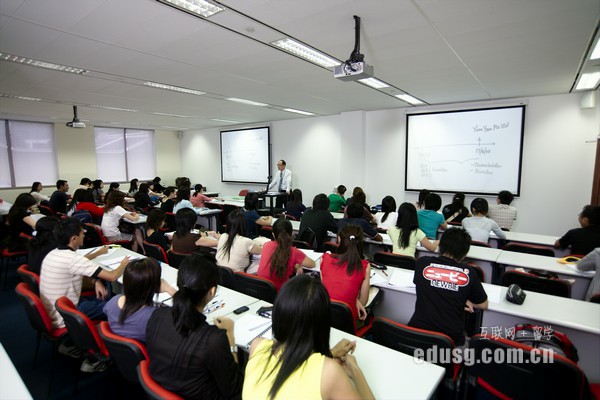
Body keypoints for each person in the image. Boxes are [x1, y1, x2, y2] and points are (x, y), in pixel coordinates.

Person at [243, 275, 374, 400]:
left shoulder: (257, 345)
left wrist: (331, 354)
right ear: (323, 324)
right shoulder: (330, 372)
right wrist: (355, 370)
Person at [146, 255, 243, 399]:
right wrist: (230, 336)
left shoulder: (157, 315)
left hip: (159, 390)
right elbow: (233, 389)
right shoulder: (213, 340)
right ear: (212, 291)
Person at [39, 217, 129, 371]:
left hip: (56, 310)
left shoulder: (54, 253)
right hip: (68, 315)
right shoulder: (72, 259)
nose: (84, 235)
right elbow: (113, 276)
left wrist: (95, 279)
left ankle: (70, 343)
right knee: (117, 307)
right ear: (74, 238)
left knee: (102, 300)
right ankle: (98, 356)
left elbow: (79, 261)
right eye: (82, 233)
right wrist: (124, 264)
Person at [409, 228, 488, 347]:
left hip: (416, 334)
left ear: (440, 246)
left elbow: (430, 286)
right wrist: (463, 297)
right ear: (464, 254)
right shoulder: (469, 272)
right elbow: (483, 305)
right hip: (449, 341)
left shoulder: (422, 263)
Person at [103, 258, 176, 342]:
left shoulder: (113, 301)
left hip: (119, 348)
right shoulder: (154, 317)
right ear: (154, 287)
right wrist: (169, 289)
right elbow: (187, 314)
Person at [320, 225, 371, 326]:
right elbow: (363, 302)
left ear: (339, 239)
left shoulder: (324, 259)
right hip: (348, 322)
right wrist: (355, 300)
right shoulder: (365, 266)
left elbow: (325, 289)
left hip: (323, 318)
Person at [257, 218, 315, 290]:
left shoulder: (266, 245)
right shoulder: (293, 251)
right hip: (282, 292)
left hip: (261, 289)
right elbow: (312, 264)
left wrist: (295, 265)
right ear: (291, 234)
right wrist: (297, 264)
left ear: (273, 234)